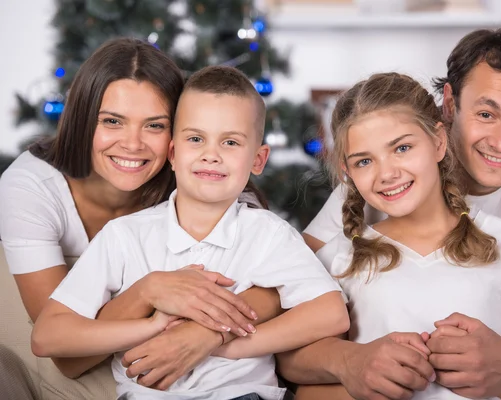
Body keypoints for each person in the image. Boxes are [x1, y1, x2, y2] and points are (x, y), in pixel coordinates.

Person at [277, 27, 501, 399]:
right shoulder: (386, 166)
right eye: (486, 113)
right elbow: (288, 290)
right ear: (449, 104)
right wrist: (351, 361)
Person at [31, 65, 350, 400]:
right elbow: (47, 337)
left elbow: (330, 313)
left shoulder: (268, 233)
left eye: (230, 142)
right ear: (172, 153)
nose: (210, 155)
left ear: (258, 159)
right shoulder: (124, 236)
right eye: (196, 139)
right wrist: (152, 326)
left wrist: (226, 345)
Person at [0, 38, 281, 399]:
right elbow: (68, 357)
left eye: (154, 125)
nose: (132, 144)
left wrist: (208, 333)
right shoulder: (31, 186)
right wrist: (150, 289)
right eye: (112, 121)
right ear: (83, 119)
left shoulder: (203, 179)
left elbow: (277, 286)